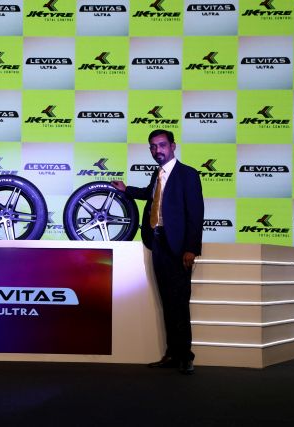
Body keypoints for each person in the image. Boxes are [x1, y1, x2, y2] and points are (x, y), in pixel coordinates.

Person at [111, 129, 204, 375]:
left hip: (179, 249)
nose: (157, 150)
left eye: (162, 145)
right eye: (153, 146)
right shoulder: (158, 173)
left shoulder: (188, 174)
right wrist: (126, 189)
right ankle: (172, 354)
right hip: (158, 244)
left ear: (173, 146)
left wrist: (191, 249)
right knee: (167, 302)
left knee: (179, 303)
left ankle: (185, 357)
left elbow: (196, 214)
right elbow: (150, 195)